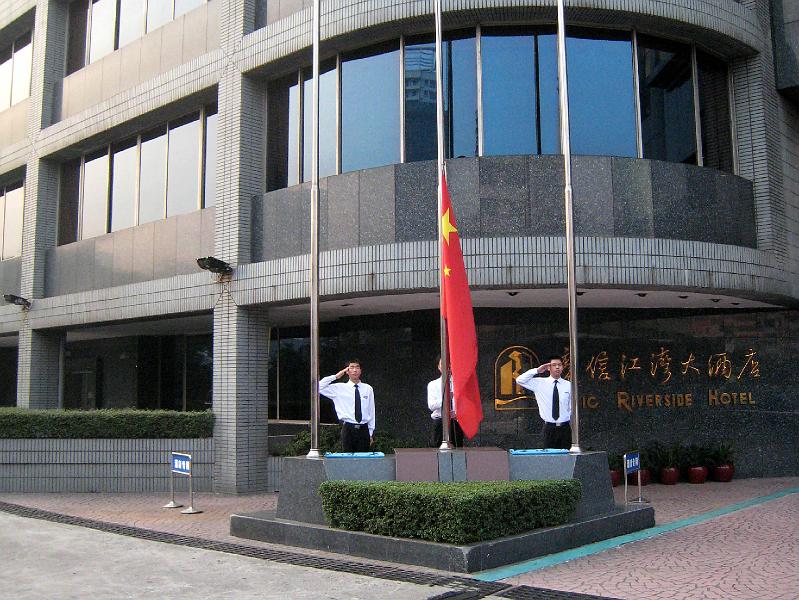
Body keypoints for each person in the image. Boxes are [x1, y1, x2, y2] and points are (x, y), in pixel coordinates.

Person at [515, 355, 571, 449]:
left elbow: (571, 406)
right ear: (548, 367)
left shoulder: (568, 385)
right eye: (554, 365)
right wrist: (537, 370)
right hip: (549, 427)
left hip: (565, 428)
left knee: (566, 457)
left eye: (559, 365)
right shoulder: (540, 383)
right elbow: (519, 380)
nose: (557, 367)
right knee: (549, 458)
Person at [319, 359, 375, 452]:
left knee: (363, 460)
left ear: (361, 370)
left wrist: (370, 433)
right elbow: (317, 387)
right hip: (348, 428)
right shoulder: (339, 388)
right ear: (347, 371)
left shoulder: (368, 388)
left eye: (357, 367)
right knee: (348, 459)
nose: (354, 370)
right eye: (351, 367)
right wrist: (336, 376)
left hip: (364, 429)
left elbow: (371, 411)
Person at [427, 358, 464, 448]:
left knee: (457, 449)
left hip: (455, 421)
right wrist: (445, 400)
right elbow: (431, 405)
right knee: (437, 450)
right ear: (439, 367)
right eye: (443, 364)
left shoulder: (459, 384)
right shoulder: (433, 384)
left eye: (449, 364)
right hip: (440, 421)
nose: (446, 367)